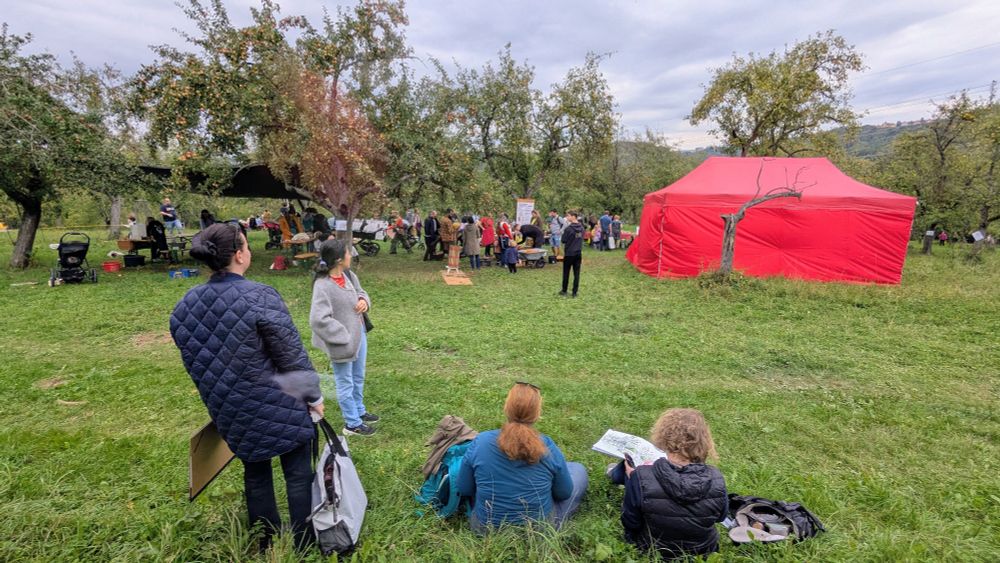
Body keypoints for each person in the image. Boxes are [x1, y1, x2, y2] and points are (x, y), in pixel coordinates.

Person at [170, 223, 324, 551]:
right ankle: (306, 544)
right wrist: (314, 396)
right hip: (280, 404)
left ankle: (264, 540)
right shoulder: (259, 295)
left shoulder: (184, 307)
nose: (250, 251)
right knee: (298, 474)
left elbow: (196, 362)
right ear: (239, 254)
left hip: (230, 408)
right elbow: (290, 354)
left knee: (255, 472)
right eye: (247, 246)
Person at [458, 382, 588, 532]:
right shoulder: (547, 446)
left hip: (485, 529)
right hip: (538, 532)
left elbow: (464, 488)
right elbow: (564, 493)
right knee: (578, 469)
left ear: (506, 408)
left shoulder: (481, 442)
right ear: (537, 414)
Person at [607, 409, 727, 560]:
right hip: (703, 550)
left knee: (628, 472)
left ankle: (615, 473)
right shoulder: (716, 477)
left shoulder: (641, 475)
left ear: (663, 436)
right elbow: (720, 517)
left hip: (651, 547)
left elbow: (631, 522)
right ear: (704, 441)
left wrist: (635, 480)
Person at [310, 238, 378, 436]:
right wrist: (343, 335)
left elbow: (361, 292)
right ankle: (352, 423)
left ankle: (359, 410)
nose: (352, 255)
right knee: (345, 382)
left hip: (360, 335)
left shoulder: (348, 275)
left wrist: (364, 300)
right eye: (349, 252)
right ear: (339, 259)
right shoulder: (323, 285)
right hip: (342, 342)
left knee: (358, 376)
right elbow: (318, 319)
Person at [560, 211, 584, 297]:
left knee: (566, 272)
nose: (566, 217)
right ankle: (574, 292)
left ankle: (564, 290)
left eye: (568, 216)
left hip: (569, 254)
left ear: (574, 217)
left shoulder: (568, 229)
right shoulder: (581, 228)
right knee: (576, 273)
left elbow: (563, 240)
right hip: (578, 253)